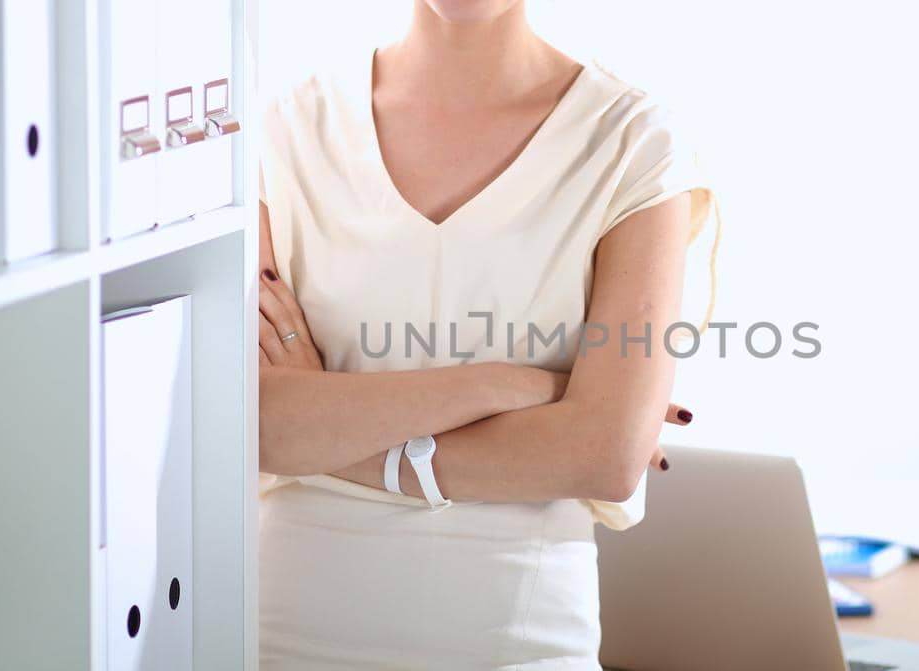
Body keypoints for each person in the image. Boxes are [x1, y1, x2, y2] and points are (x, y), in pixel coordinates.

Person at [256, 0, 713, 666]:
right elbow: (253, 424)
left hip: (521, 644)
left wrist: (319, 423)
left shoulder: (633, 142)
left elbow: (607, 457)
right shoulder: (287, 128)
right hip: (285, 635)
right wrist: (511, 386)